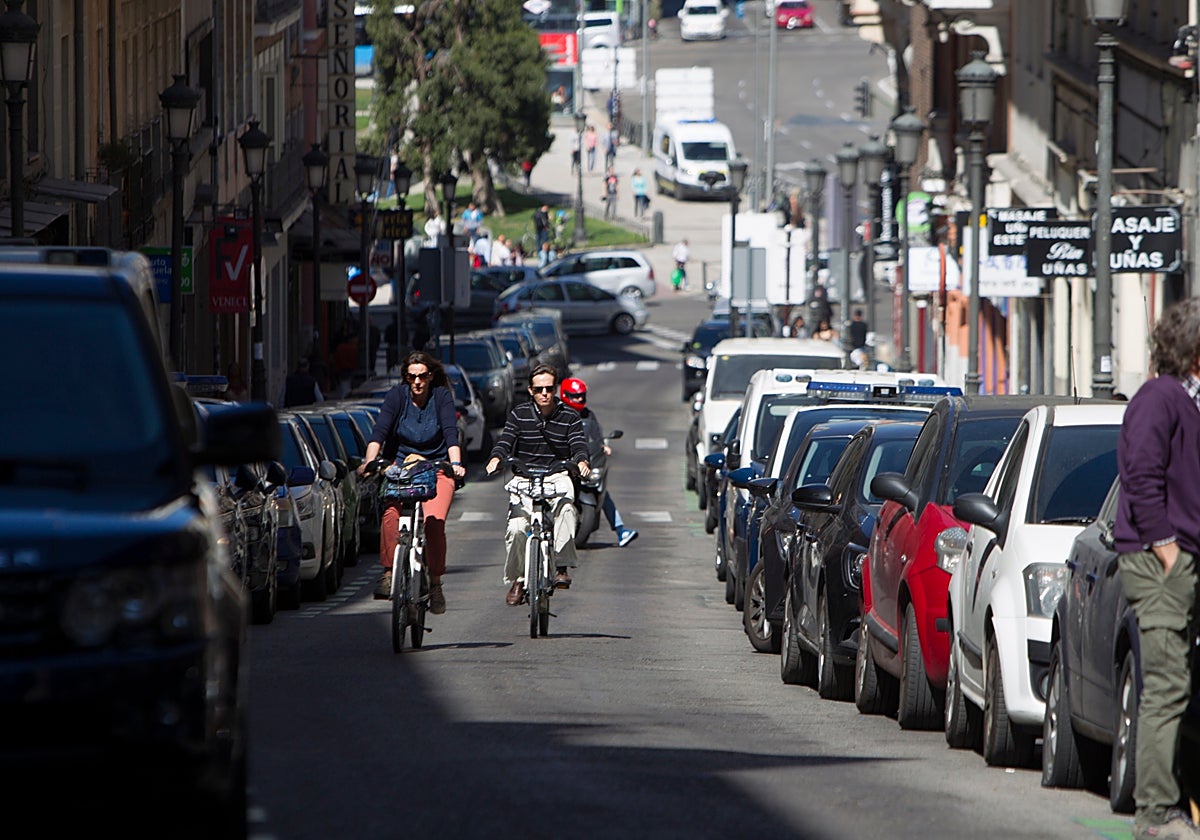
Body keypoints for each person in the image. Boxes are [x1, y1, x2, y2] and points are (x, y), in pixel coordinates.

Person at [1113, 298, 1200, 840]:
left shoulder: (1184, 401)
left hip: (1176, 559)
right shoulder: (1160, 398)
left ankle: (1177, 798)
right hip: (1159, 562)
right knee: (1166, 686)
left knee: (1182, 684)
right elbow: (1142, 476)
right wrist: (1167, 547)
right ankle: (1155, 815)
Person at [361, 352, 466, 610]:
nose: (417, 381)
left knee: (434, 523)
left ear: (430, 376)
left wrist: (455, 465)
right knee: (390, 516)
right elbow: (380, 431)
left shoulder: (441, 397)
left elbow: (451, 434)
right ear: (405, 378)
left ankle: (435, 583)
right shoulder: (397, 397)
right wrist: (369, 461)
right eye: (411, 376)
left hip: (436, 467)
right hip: (401, 467)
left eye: (422, 376)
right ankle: (388, 574)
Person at [485, 364, 591, 605]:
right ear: (531, 391)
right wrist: (495, 458)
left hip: (557, 474)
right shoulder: (519, 414)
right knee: (516, 528)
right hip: (524, 477)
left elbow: (578, 445)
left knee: (565, 509)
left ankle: (561, 566)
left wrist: (582, 461)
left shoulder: (570, 416)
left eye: (549, 388)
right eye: (539, 389)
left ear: (556, 390)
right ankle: (518, 580)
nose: (544, 393)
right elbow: (505, 441)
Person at [559, 378, 638, 547]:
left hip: (584, 463)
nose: (580, 399)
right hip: (563, 465)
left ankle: (620, 529)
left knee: (602, 491)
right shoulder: (557, 413)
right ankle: (533, 528)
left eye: (581, 396)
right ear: (565, 395)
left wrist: (603, 446)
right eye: (575, 396)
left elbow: (596, 435)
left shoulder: (588, 415)